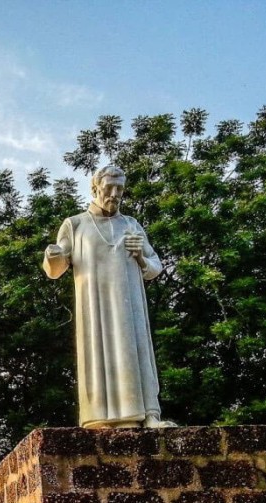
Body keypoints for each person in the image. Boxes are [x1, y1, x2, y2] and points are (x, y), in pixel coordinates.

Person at [43, 165, 174, 428]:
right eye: (109, 188)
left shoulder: (131, 224)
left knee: (135, 351)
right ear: (95, 188)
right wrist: (53, 255)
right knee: (99, 353)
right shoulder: (75, 224)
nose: (114, 194)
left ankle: (149, 414)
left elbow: (154, 266)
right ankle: (101, 418)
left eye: (120, 189)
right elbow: (57, 266)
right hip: (95, 305)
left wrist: (139, 256)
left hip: (129, 302)